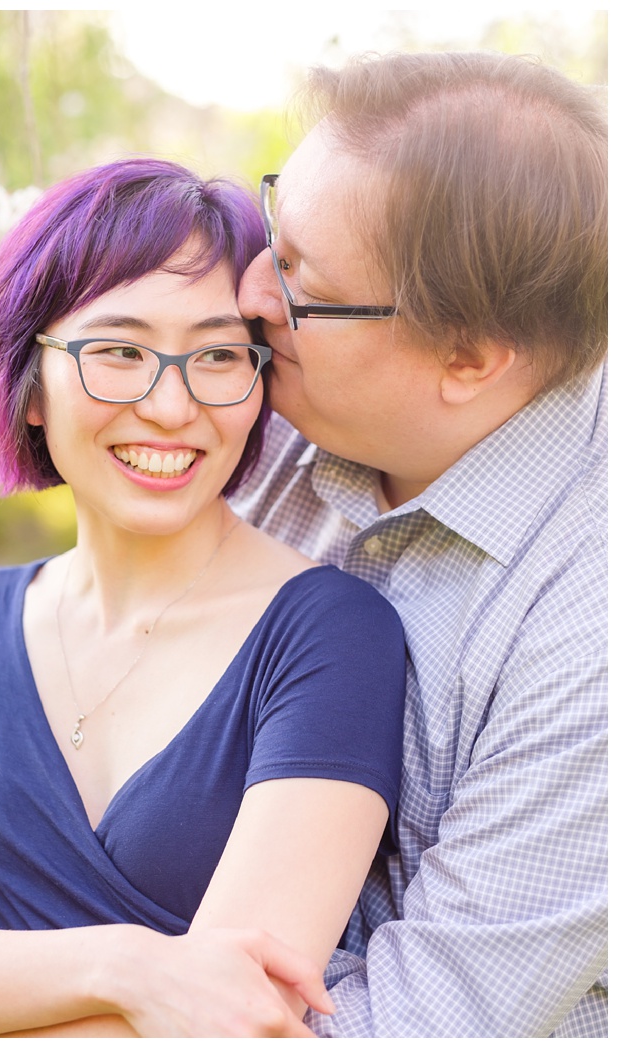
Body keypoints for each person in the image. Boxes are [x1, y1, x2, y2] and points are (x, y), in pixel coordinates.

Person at [0, 158, 410, 1037]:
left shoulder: (334, 635)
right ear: (31, 384)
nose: (172, 406)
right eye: (119, 351)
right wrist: (131, 964)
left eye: (219, 354)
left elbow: (235, 1019)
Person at [227, 51, 607, 1036]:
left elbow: (427, 1020)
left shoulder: (587, 625)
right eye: (272, 232)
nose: (248, 291)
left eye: (300, 279)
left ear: (466, 359)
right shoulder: (271, 406)